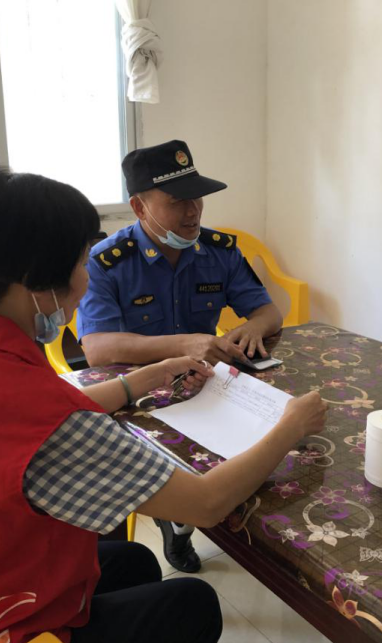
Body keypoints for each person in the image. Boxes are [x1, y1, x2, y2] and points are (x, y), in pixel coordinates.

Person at [0, 170, 327, 643]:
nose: (86, 279)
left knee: (134, 562)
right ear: (37, 282)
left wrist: (148, 375)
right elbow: (206, 504)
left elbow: (36, 411)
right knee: (193, 604)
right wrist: (289, 425)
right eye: (80, 262)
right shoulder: (46, 421)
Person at [77, 139, 284, 572]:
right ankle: (179, 520)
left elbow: (268, 313)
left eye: (197, 199)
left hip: (203, 381)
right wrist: (183, 344)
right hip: (137, 393)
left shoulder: (218, 251)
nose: (193, 213)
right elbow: (97, 350)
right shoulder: (107, 261)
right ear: (139, 207)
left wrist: (252, 327)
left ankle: (251, 529)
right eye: (177, 202)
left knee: (273, 431)